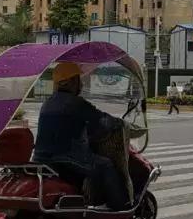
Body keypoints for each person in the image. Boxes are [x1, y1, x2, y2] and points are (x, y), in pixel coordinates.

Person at [32, 62, 130, 210]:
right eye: (79, 80)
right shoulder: (76, 103)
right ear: (71, 81)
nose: (81, 84)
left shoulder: (48, 102)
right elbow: (102, 121)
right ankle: (120, 206)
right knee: (106, 165)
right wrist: (120, 123)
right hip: (66, 158)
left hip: (41, 158)